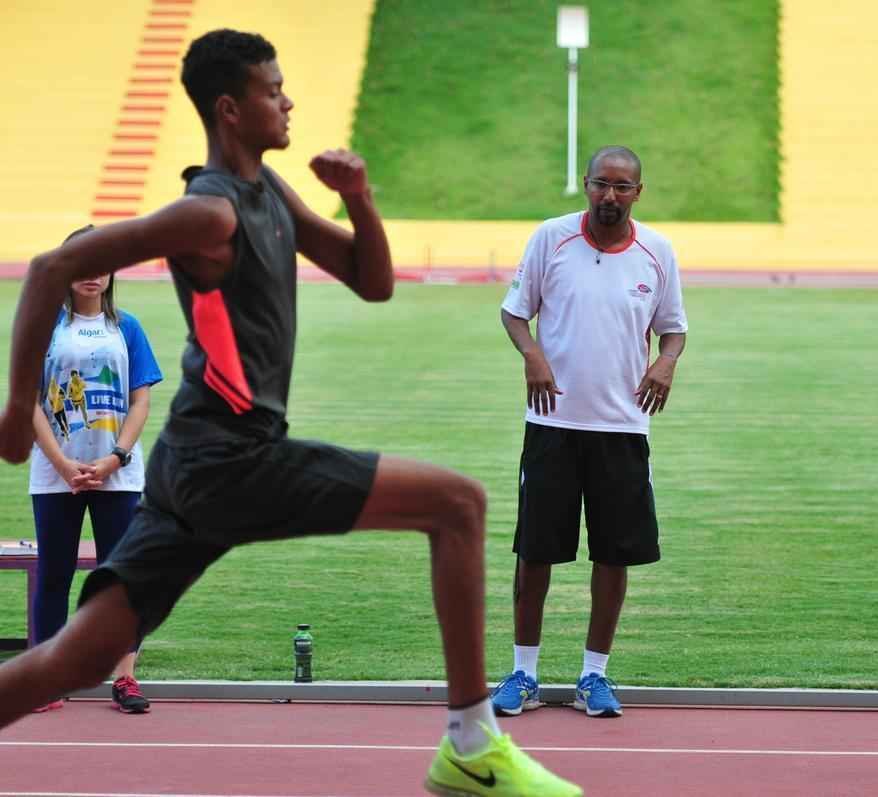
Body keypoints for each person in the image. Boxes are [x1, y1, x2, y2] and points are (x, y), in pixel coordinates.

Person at [0, 29, 580, 797]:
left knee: (76, 657)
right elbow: (53, 264)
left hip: (191, 467)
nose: (289, 100)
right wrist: (15, 412)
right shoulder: (209, 213)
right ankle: (472, 746)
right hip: (231, 456)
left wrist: (359, 197)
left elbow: (371, 281)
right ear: (231, 110)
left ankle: (470, 747)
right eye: (274, 90)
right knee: (459, 504)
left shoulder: (269, 194)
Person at [492, 146, 688, 720]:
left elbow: (673, 330)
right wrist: (531, 353)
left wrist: (666, 362)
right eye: (601, 184)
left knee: (614, 554)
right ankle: (523, 674)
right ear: (586, 184)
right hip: (552, 424)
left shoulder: (658, 253)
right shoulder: (550, 238)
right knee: (534, 553)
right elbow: (513, 311)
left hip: (622, 427)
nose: (610, 196)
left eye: (622, 187)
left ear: (638, 192)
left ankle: (592, 677)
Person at [29, 247, 162, 715]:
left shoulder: (128, 328)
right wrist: (64, 465)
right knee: (54, 576)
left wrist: (115, 457)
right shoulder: (45, 326)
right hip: (55, 474)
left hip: (118, 475)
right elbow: (28, 403)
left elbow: (140, 400)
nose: (91, 275)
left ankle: (124, 678)